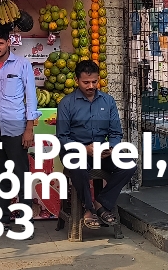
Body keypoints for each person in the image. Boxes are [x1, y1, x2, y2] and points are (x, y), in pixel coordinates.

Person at [55, 60, 134, 230]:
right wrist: (84, 149)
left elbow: (116, 133)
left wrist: (110, 148)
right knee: (78, 166)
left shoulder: (108, 101)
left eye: (94, 81)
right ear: (76, 80)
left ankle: (101, 203)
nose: (91, 86)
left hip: (101, 151)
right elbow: (62, 137)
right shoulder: (66, 103)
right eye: (86, 82)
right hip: (75, 151)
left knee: (129, 165)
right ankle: (88, 208)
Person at [0, 24, 39, 229]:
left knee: (21, 176)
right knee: (0, 175)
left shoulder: (22, 65)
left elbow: (31, 98)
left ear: (8, 42)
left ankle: (26, 222)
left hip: (15, 129)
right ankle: (2, 218)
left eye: (0, 43)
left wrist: (29, 129)